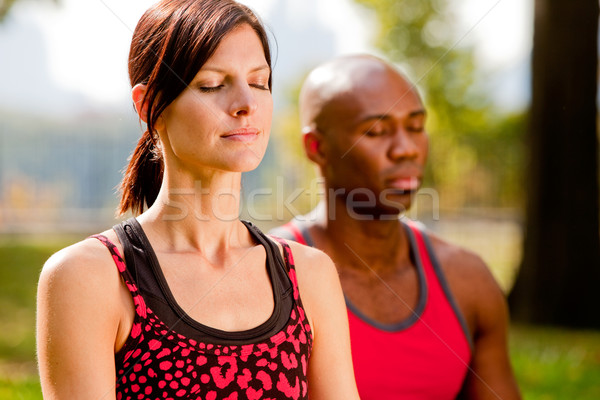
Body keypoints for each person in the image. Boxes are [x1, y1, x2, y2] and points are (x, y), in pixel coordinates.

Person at [36, 1, 360, 399]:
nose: (247, 104)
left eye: (259, 82)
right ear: (149, 105)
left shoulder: (309, 276)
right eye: (211, 85)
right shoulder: (90, 277)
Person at [270, 54, 522, 400]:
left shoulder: (468, 280)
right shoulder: (268, 275)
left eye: (416, 127)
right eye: (376, 131)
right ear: (317, 148)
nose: (406, 149)